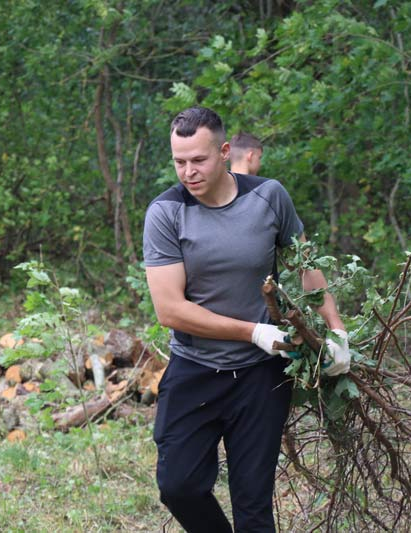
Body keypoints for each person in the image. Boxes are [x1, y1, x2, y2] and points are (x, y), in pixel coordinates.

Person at [142, 106, 350, 533]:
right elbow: (170, 310)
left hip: (260, 378)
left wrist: (337, 331)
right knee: (179, 486)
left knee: (253, 506)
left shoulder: (268, 196)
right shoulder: (166, 212)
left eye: (198, 160)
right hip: (196, 369)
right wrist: (252, 331)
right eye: (179, 162)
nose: (188, 172)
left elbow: (307, 266)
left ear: (223, 152)